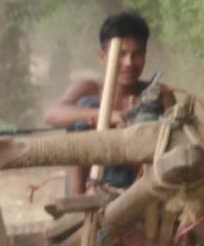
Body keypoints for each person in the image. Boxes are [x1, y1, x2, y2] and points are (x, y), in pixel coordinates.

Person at [44, 10, 175, 196]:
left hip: (142, 192)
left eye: (136, 55)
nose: (129, 63)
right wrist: (107, 116)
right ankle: (77, 213)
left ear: (145, 56)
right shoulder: (88, 89)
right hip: (90, 188)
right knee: (84, 108)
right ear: (102, 57)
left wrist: (138, 125)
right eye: (121, 54)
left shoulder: (158, 94)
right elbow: (52, 114)